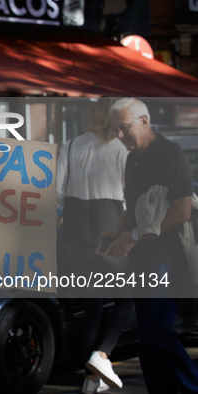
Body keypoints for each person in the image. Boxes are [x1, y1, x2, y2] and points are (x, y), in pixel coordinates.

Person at [102, 97, 198, 393]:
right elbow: (133, 208)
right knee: (147, 339)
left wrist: (133, 236)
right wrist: (117, 229)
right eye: (115, 130)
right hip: (140, 258)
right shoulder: (133, 159)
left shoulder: (171, 152)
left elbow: (182, 210)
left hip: (165, 256)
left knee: (157, 332)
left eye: (124, 128)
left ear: (144, 122)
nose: (119, 136)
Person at [56, 97, 133, 393]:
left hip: (76, 235)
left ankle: (90, 381)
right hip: (109, 230)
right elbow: (130, 194)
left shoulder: (72, 145)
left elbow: (58, 193)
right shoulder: (122, 149)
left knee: (93, 306)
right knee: (126, 298)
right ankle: (101, 356)